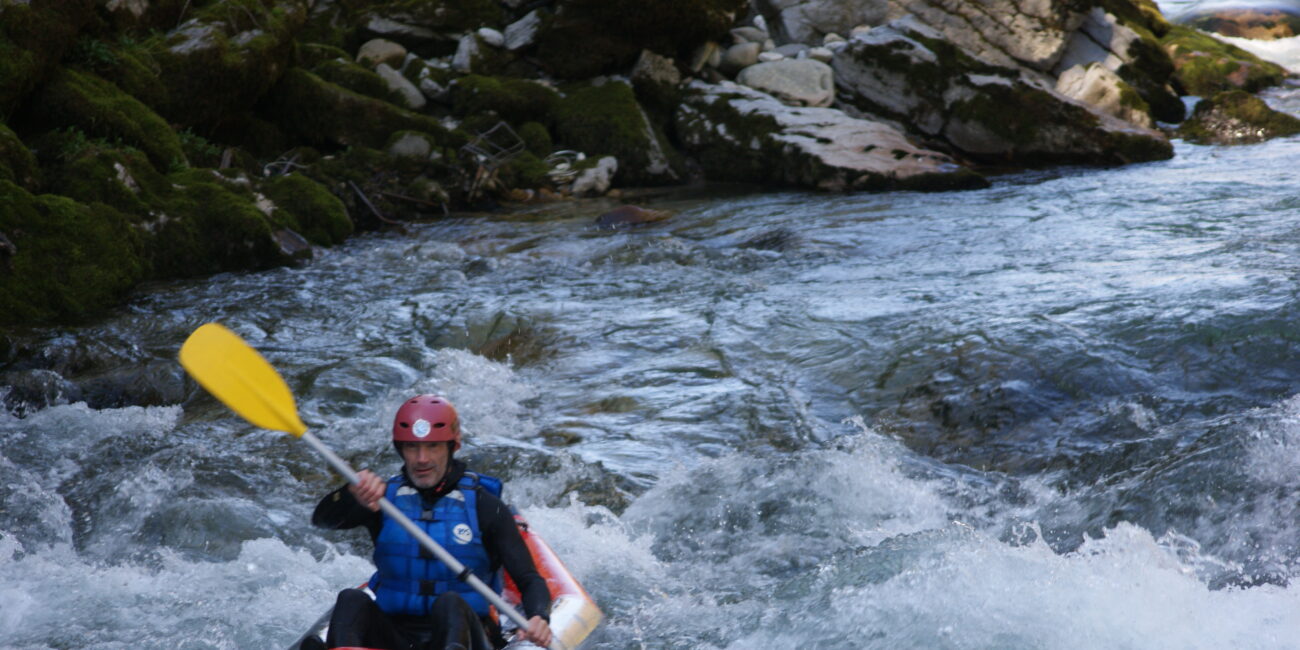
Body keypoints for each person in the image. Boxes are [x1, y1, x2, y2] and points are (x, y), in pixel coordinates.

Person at [311, 395, 553, 650]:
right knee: (351, 599)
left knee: (451, 602)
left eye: (433, 446)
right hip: (397, 636)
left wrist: (539, 616)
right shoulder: (381, 500)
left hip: (465, 637)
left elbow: (529, 579)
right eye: (412, 448)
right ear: (400, 449)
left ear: (452, 447)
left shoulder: (485, 506)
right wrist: (351, 494)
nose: (422, 458)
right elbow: (323, 520)